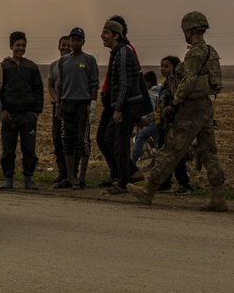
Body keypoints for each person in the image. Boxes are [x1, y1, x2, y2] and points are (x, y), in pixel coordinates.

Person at [127, 12, 228, 211]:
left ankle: (149, 189)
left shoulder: (194, 53)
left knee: (172, 148)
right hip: (205, 106)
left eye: (185, 30)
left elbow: (188, 80)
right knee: (208, 151)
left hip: (190, 108)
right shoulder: (211, 51)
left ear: (190, 30)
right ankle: (219, 196)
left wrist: (175, 102)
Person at [101, 18, 143, 194]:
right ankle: (131, 173)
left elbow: (124, 84)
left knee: (121, 144)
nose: (102, 36)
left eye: (106, 33)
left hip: (128, 105)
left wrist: (118, 109)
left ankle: (124, 182)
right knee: (109, 139)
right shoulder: (117, 52)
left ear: (116, 35)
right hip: (123, 104)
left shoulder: (123, 52)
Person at [0, 31, 44, 190]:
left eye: (23, 45)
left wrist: (36, 112)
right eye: (17, 45)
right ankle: (8, 179)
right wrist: (2, 110)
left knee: (29, 148)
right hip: (10, 116)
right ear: (11, 46)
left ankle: (28, 179)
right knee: (8, 149)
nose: (20, 48)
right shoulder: (3, 67)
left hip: (28, 116)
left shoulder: (31, 67)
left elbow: (39, 90)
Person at [54, 27, 99, 189]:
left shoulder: (89, 60)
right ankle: (69, 177)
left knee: (83, 141)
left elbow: (94, 84)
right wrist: (58, 104)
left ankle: (82, 178)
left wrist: (93, 106)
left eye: (78, 39)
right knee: (67, 140)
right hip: (67, 104)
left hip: (83, 105)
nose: (75, 42)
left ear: (83, 42)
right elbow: (59, 85)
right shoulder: (63, 61)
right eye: (73, 39)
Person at [153, 56, 194, 194]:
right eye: (161, 66)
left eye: (166, 66)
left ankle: (185, 184)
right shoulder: (165, 84)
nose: (162, 69)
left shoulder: (177, 85)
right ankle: (165, 183)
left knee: (177, 156)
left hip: (174, 125)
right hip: (164, 125)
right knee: (163, 155)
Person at [46, 35, 72, 185]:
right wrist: (57, 100)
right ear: (58, 46)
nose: (65, 48)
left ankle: (71, 174)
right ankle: (62, 173)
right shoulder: (53, 65)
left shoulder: (77, 64)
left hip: (72, 107)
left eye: (68, 45)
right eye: (63, 45)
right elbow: (50, 85)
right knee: (57, 140)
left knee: (70, 141)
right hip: (57, 107)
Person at [130, 71, 160, 166]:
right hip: (160, 120)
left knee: (141, 135)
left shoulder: (149, 95)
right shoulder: (160, 90)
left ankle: (132, 162)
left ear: (149, 83)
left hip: (157, 122)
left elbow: (149, 111)